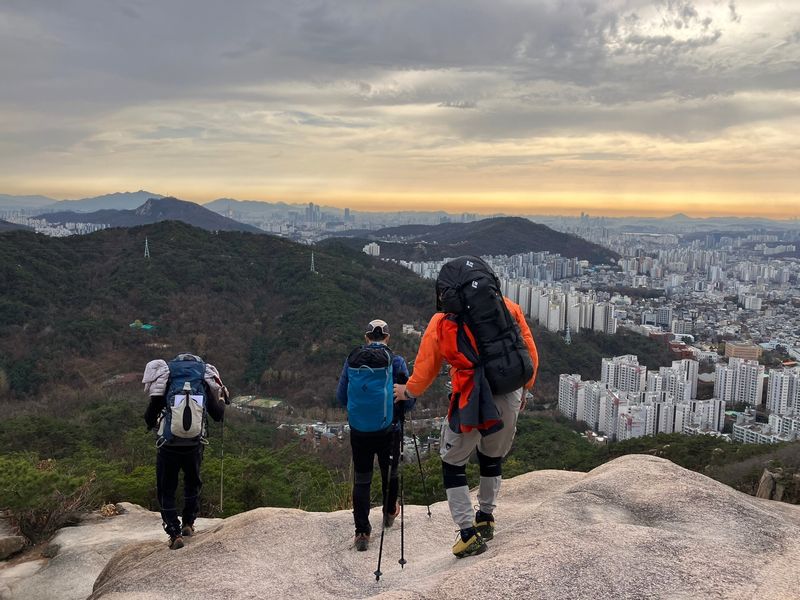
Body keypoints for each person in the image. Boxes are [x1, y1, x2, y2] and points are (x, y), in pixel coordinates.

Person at [394, 267, 539, 559]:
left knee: (453, 461)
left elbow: (425, 369)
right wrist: (525, 390)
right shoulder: (508, 307)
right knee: (491, 456)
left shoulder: (442, 321)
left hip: (471, 396)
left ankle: (466, 533)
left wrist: (407, 392)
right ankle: (485, 517)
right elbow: (530, 353)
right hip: (509, 392)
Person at [336, 319, 414, 551]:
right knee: (390, 472)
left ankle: (362, 532)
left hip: (359, 430)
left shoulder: (352, 360)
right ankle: (389, 512)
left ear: (367, 337)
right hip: (389, 429)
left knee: (362, 479)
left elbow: (341, 396)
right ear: (387, 338)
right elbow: (409, 399)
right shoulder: (396, 361)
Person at [143, 353, 228, 549]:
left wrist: (151, 424)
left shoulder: (166, 378)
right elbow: (217, 415)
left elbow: (151, 414)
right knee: (193, 482)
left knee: (166, 488)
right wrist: (222, 398)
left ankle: (174, 533)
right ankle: (189, 523)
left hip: (168, 445)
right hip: (194, 444)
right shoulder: (203, 381)